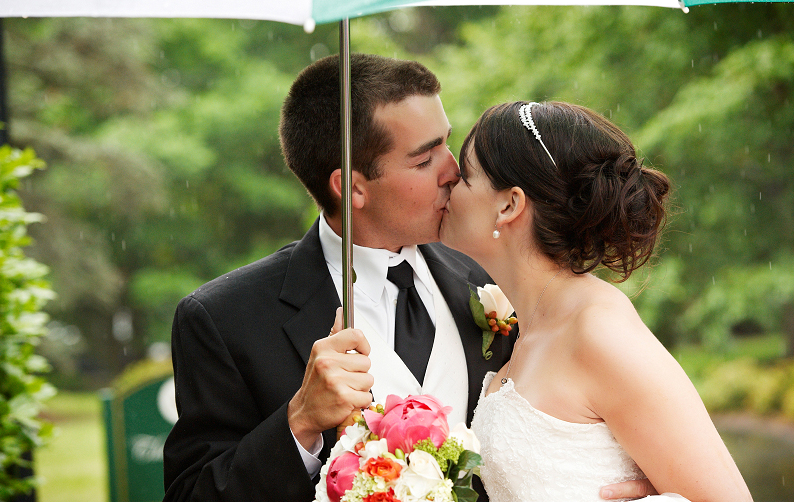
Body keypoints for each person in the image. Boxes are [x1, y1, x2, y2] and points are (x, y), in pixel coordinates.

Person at [162, 55, 654, 502]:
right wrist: (300, 422)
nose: (454, 170)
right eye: (424, 159)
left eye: (446, 142)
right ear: (353, 187)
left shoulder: (496, 273)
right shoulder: (224, 319)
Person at [440, 101, 753, 501]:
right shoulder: (530, 326)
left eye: (465, 176)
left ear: (509, 205)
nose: (448, 180)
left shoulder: (598, 330)